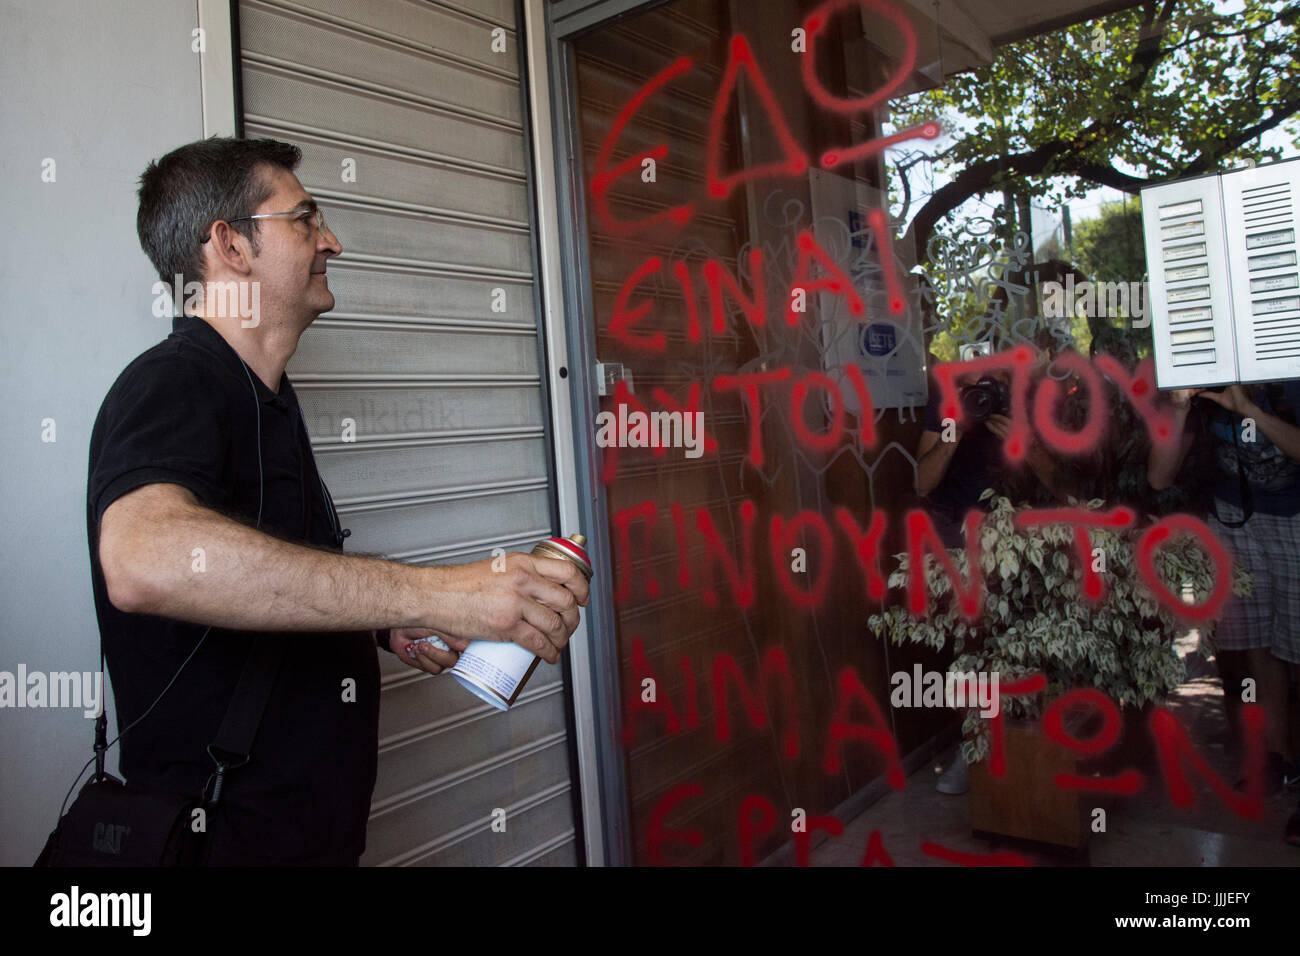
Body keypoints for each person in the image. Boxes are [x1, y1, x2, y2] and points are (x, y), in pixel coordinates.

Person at [87, 137, 589, 865]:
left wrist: (391, 625)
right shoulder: (172, 384)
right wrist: (442, 593)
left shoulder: (270, 401)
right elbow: (141, 559)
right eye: (306, 218)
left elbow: (263, 587)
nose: (334, 242)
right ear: (230, 245)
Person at [1148, 383, 1300, 846]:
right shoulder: (1197, 385)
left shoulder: (1286, 371)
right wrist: (1178, 408)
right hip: (1234, 520)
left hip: (1295, 518)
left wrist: (1250, 408)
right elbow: (1158, 477)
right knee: (1258, 649)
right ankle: (1277, 762)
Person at [914, 352, 1063, 792]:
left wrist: (1028, 446)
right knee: (969, 648)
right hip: (956, 534)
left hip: (1021, 539)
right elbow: (922, 482)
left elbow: (1065, 487)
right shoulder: (948, 398)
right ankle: (974, 746)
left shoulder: (1037, 399)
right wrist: (955, 429)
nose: (989, 386)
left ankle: (1030, 754)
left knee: (1025, 647)